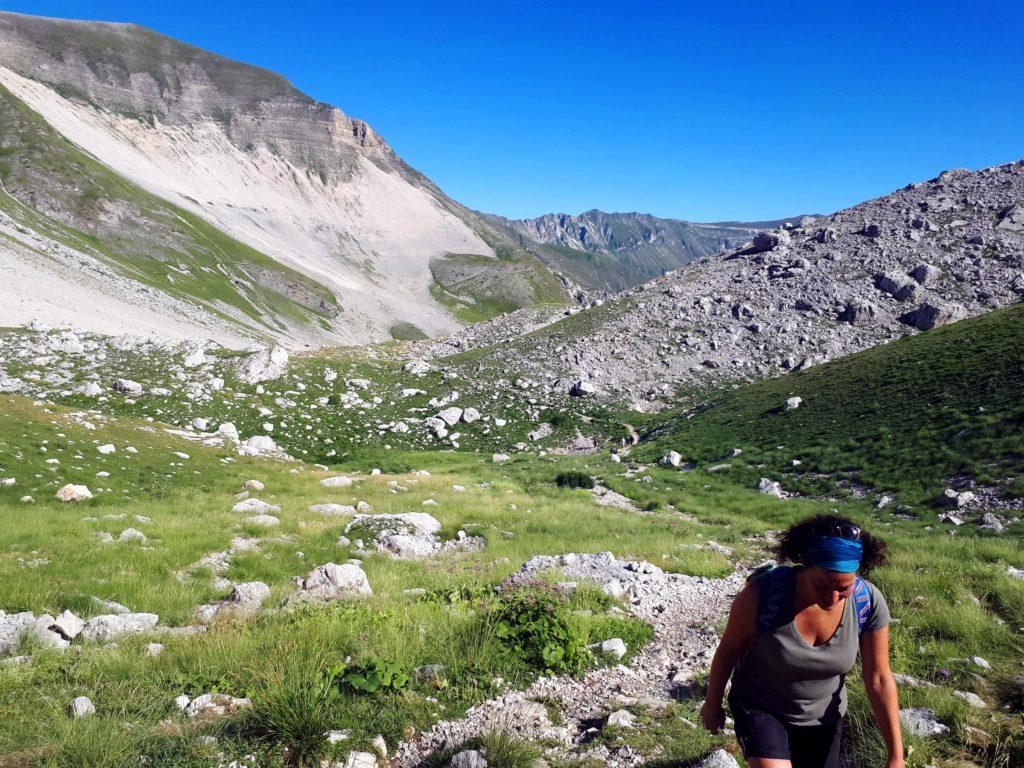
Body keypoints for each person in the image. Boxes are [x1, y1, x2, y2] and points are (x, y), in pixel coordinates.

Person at [700, 514, 904, 768]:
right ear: (805, 565)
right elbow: (729, 650)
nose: (832, 596)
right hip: (761, 706)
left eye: (843, 588)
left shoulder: (867, 603)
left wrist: (896, 755)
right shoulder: (762, 594)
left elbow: (879, 678)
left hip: (823, 716)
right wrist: (712, 704)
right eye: (821, 584)